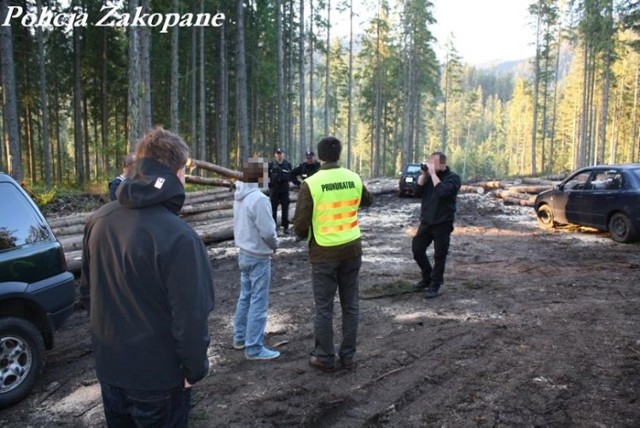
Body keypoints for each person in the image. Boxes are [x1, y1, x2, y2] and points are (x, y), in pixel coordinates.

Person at [80, 127, 215, 427]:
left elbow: (88, 297)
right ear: (179, 173)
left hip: (111, 370)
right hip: (159, 382)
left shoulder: (97, 220)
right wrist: (194, 370)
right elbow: (191, 317)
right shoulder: (180, 237)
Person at [293, 136, 373, 372]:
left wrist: (305, 233)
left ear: (318, 156)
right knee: (351, 304)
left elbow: (300, 223)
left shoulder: (312, 183)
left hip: (324, 253)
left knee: (324, 307)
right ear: (339, 154)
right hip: (352, 249)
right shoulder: (353, 177)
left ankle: (325, 357)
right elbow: (368, 200)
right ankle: (348, 356)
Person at [232, 157, 281, 360]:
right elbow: (268, 231)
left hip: (243, 253)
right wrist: (275, 245)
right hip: (258, 256)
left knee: (246, 297)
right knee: (258, 302)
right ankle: (253, 347)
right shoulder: (258, 199)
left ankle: (240, 337)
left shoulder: (239, 196)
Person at [412, 151, 461, 299]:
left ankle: (435, 284)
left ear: (443, 164)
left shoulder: (453, 178)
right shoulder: (428, 178)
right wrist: (424, 176)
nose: (430, 165)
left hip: (442, 223)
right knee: (417, 249)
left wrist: (433, 175)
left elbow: (444, 193)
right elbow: (416, 193)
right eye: (429, 162)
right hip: (427, 221)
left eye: (433, 162)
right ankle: (427, 277)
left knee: (439, 256)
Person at [268, 148, 294, 234]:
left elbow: (291, 176)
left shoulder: (288, 164)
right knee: (273, 210)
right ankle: (273, 227)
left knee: (285, 209)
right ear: (275, 155)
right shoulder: (271, 165)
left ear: (283, 154)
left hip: (284, 189)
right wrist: (270, 187)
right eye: (277, 154)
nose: (279, 155)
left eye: (280, 153)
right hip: (274, 190)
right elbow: (266, 178)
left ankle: (285, 227)